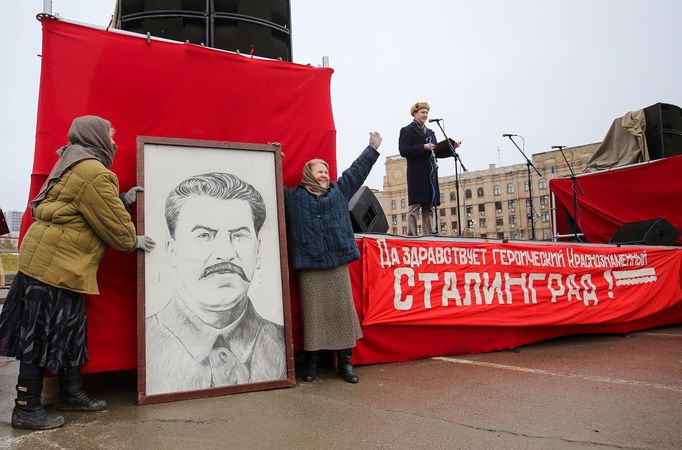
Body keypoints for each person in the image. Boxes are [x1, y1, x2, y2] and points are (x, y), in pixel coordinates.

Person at [0, 116, 155, 430]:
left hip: (48, 261)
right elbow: (118, 233)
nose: (114, 142)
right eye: (111, 136)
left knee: (69, 330)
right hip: (57, 265)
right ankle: (26, 408)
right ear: (96, 137)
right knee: (41, 335)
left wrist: (121, 201)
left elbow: (83, 209)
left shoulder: (70, 161)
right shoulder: (94, 172)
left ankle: (70, 393)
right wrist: (134, 238)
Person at [145, 172, 286, 395]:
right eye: (204, 235)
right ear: (172, 251)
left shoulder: (282, 343)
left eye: (239, 235)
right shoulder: (148, 345)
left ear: (258, 251)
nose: (226, 253)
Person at [284, 131, 382, 384]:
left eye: (326, 172)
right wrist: (274, 159)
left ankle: (346, 364)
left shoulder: (340, 190)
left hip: (337, 262)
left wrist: (371, 148)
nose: (325, 175)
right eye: (319, 172)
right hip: (311, 265)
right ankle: (313, 364)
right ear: (309, 175)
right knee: (313, 316)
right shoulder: (293, 198)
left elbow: (357, 171)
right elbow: (268, 183)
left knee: (342, 314)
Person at [399, 102, 459, 236]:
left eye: (426, 112)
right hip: (416, 174)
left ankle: (429, 234)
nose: (425, 115)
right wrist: (423, 147)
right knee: (414, 206)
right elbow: (403, 150)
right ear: (414, 113)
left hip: (430, 173)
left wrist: (451, 147)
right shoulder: (407, 130)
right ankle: (412, 235)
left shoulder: (431, 132)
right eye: (422, 112)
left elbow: (436, 151)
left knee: (429, 205)